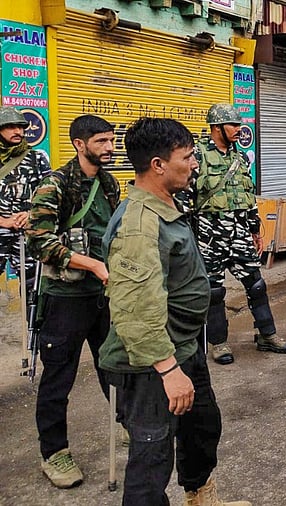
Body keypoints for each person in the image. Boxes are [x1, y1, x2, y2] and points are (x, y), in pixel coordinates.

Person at [101, 117, 250, 506]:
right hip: (152, 362)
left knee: (201, 429)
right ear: (158, 165)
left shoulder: (170, 202)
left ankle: (200, 498)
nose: (195, 164)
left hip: (183, 346)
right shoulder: (139, 224)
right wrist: (168, 371)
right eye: (187, 157)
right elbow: (135, 312)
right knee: (152, 457)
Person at [27, 114, 119, 489]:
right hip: (64, 298)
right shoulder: (56, 184)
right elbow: (40, 240)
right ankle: (54, 453)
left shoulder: (110, 183)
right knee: (58, 378)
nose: (110, 148)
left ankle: (125, 421)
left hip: (101, 294)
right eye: (101, 141)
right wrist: (91, 263)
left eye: (112, 141)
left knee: (112, 365)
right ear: (80, 144)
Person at [192, 103, 286, 365]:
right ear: (217, 127)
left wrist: (254, 230)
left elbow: (247, 197)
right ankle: (219, 343)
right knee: (214, 291)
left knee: (256, 285)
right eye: (233, 125)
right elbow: (185, 199)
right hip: (209, 236)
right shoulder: (198, 156)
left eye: (239, 124)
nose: (239, 129)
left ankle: (266, 335)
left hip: (239, 234)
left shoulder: (239, 158)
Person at [0, 107, 50, 288]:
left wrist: (32, 215)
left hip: (28, 234)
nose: (18, 132)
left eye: (21, 127)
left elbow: (49, 195)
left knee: (32, 286)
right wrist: (3, 221)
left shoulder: (37, 158)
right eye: (11, 127)